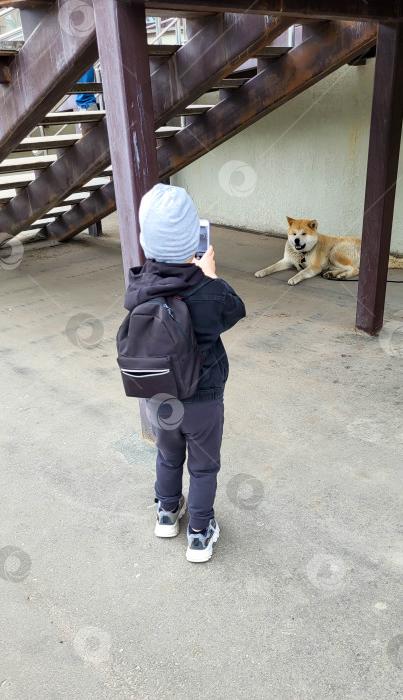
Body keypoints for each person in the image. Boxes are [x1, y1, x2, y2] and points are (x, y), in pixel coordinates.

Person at [123, 184, 246, 562]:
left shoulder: (138, 283)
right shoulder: (209, 292)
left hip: (158, 395)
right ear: (196, 238)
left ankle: (166, 512)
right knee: (204, 466)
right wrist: (209, 276)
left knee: (168, 455)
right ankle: (199, 532)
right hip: (203, 398)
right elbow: (235, 310)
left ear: (146, 241)